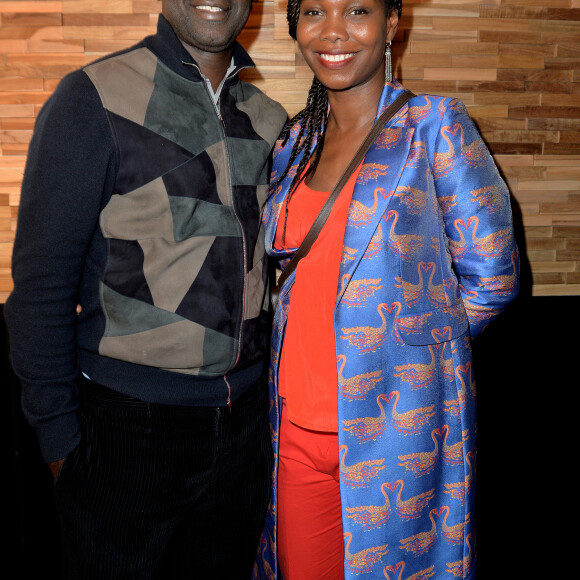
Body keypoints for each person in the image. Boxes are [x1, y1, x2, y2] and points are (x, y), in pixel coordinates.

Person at [5, 0, 287, 577]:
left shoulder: (271, 119)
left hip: (246, 440)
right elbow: (39, 289)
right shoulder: (92, 98)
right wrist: (61, 444)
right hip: (125, 437)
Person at [254, 0, 519, 578]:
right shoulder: (295, 141)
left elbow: (493, 277)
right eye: (313, 12)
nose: (333, 32)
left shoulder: (433, 126)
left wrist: (403, 354)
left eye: (356, 10)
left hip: (396, 435)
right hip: (296, 427)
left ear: (393, 24)